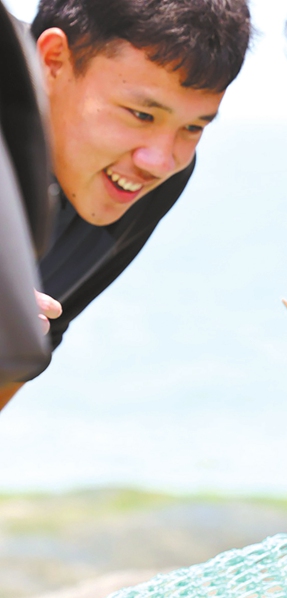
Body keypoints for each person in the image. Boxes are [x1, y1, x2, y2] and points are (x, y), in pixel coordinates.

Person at [0, 0, 253, 413]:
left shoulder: (140, 179)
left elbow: (17, 362)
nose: (160, 162)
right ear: (53, 60)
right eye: (141, 114)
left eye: (193, 128)